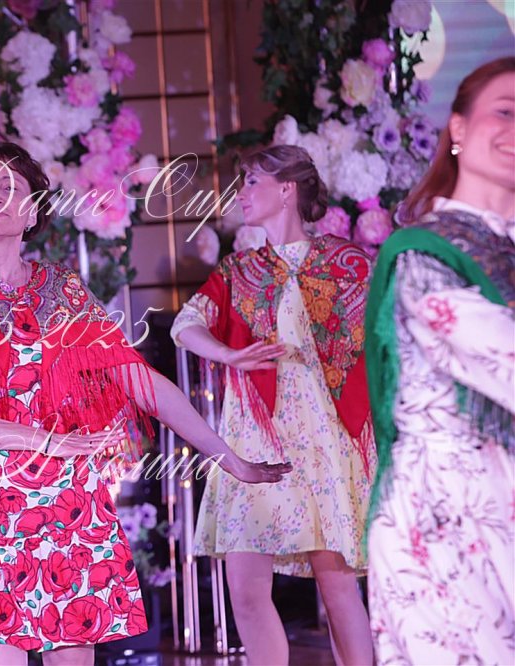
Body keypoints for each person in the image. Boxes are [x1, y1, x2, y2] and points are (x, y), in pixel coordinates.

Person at [0, 140, 291, 666]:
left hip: (69, 512)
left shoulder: (64, 293)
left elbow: (142, 383)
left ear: (31, 210)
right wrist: (44, 440)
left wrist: (227, 457)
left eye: (10, 186)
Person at [172, 145, 376, 666]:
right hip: (254, 438)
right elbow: (185, 325)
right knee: (244, 589)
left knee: (337, 588)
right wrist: (229, 354)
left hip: (325, 439)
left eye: (251, 181)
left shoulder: (347, 263)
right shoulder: (240, 270)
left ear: (287, 189)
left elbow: (383, 335)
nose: (240, 193)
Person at [364, 57, 514, 664]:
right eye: (504, 112)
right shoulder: (423, 252)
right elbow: (499, 352)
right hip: (445, 515)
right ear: (458, 127)